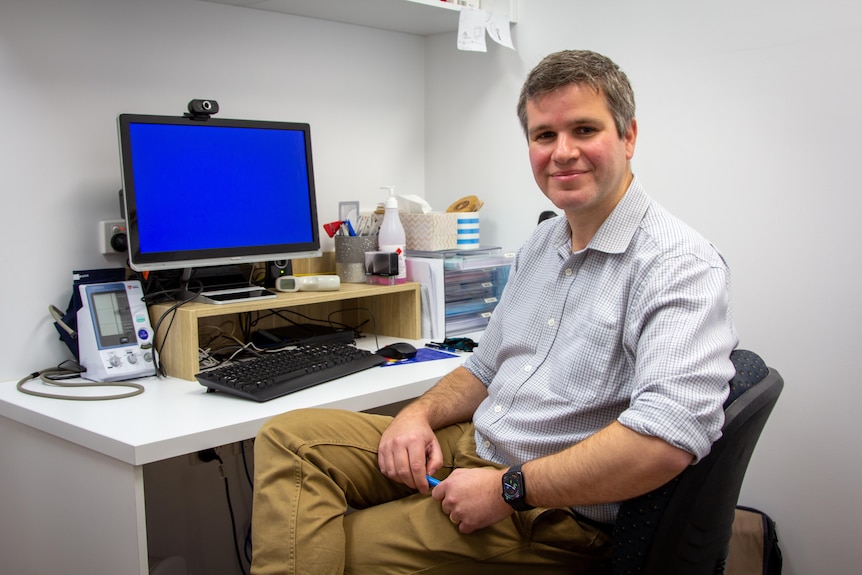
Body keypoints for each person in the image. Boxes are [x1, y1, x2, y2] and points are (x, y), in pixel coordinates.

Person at [250, 49, 738, 575]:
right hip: (476, 446)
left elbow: (664, 442)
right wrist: (416, 416)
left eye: (584, 130)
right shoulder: (544, 241)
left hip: (551, 509)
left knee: (340, 547)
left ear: (629, 136)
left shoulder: (676, 263)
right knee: (288, 440)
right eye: (544, 136)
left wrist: (510, 489)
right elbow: (484, 367)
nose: (563, 152)